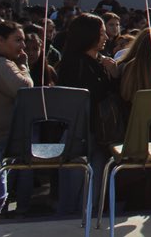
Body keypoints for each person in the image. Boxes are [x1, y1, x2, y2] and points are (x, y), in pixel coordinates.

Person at [55, 13, 116, 216]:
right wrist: (111, 77)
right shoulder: (75, 63)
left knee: (94, 187)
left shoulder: (96, 62)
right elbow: (92, 95)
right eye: (101, 33)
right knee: (75, 189)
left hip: (97, 133)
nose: (106, 36)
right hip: (79, 133)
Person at [0, 21, 32, 215]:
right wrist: (24, 67)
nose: (23, 46)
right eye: (18, 40)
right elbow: (24, 89)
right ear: (0, 40)